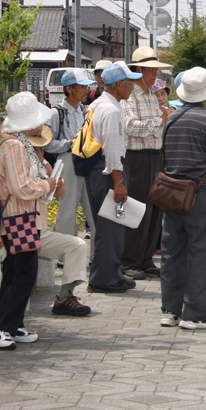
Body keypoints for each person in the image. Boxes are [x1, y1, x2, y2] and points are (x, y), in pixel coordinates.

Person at [0, 92, 64, 349]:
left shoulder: (13, 143)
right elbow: (22, 188)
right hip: (20, 217)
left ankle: (12, 325)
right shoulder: (16, 146)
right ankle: (0, 328)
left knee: (14, 271)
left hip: (19, 217)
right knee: (25, 274)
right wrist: (47, 184)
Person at [159, 67, 206, 330]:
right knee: (199, 252)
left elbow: (164, 156)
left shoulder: (170, 118)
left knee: (171, 252)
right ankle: (195, 314)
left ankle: (170, 311)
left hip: (171, 192)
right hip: (198, 194)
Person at [86, 62, 142, 293]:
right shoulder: (110, 110)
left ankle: (113, 273)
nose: (132, 87)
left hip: (101, 172)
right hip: (109, 173)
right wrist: (118, 183)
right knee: (111, 227)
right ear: (119, 84)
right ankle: (104, 279)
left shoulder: (98, 104)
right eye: (130, 83)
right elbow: (111, 150)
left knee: (114, 225)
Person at [120, 47, 174, 280]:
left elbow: (158, 126)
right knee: (137, 209)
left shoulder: (152, 97)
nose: (154, 74)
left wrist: (164, 119)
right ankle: (129, 260)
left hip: (155, 156)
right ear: (139, 69)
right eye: (151, 69)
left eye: (155, 69)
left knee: (154, 209)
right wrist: (162, 118)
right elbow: (131, 127)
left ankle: (145, 258)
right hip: (137, 158)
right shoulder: (130, 97)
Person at [44, 68, 96, 239]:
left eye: (87, 87)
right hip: (67, 162)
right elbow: (48, 145)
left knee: (94, 209)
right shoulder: (56, 113)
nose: (87, 90)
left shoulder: (86, 111)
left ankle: (96, 257)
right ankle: (65, 255)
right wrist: (71, 144)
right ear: (69, 89)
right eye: (82, 87)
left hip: (88, 162)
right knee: (67, 210)